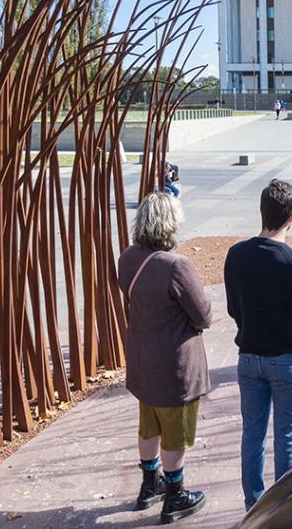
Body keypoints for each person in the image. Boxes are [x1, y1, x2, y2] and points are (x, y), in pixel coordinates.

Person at [225, 179, 292, 510]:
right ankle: (284, 508)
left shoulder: (236, 254)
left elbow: (233, 307)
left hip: (249, 356)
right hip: (288, 359)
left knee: (252, 434)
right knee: (286, 437)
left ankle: (254, 504)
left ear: (262, 211)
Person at [118, 192, 210, 523]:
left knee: (149, 424)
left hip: (143, 357)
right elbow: (202, 314)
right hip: (175, 364)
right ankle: (175, 495)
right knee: (177, 430)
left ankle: (149, 485)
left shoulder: (128, 257)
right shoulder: (177, 265)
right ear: (171, 224)